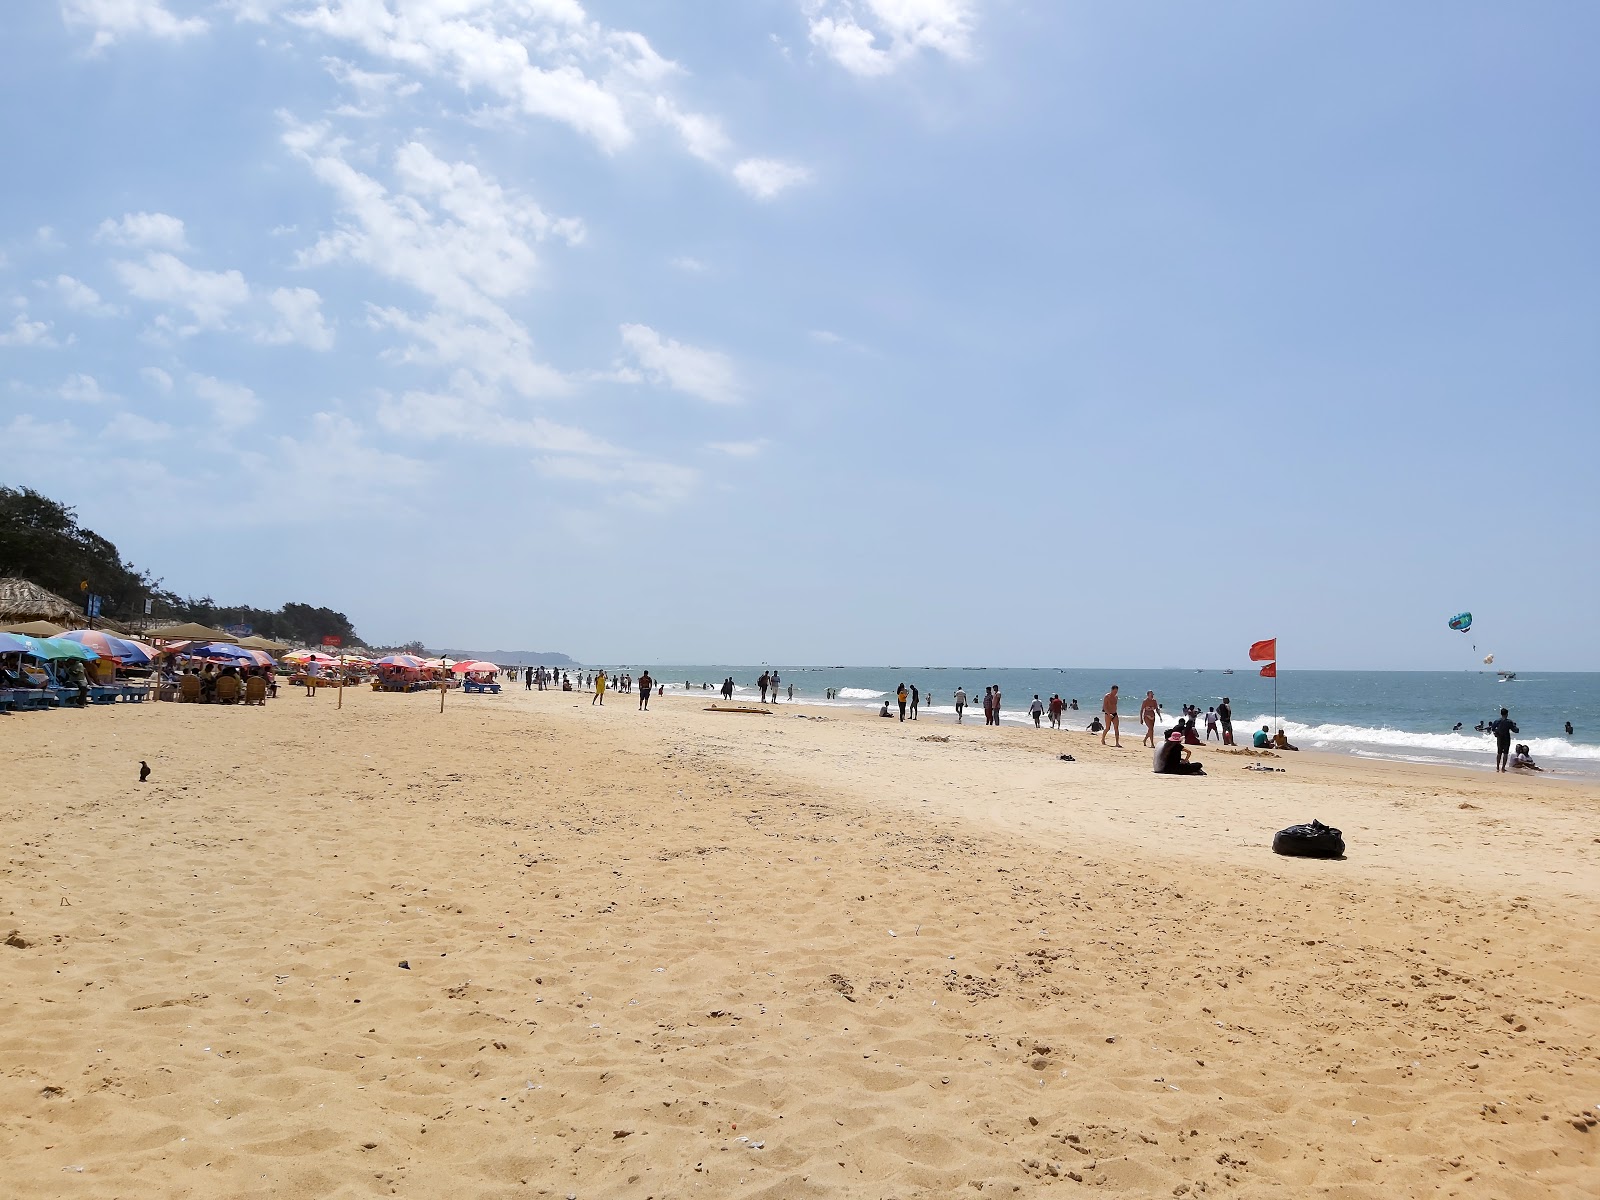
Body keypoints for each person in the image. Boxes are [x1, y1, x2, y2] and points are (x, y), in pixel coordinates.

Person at [1488, 707, 1518, 772]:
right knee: (1505, 753)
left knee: (1499, 753)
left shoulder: (1497, 721)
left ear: (1501, 714)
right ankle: (1503, 767)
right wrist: (1516, 726)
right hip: (1506, 738)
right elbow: (1515, 730)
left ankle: (1497, 767)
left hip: (1499, 737)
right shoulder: (1509, 722)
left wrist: (1496, 733)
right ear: (1507, 714)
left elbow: (1492, 728)